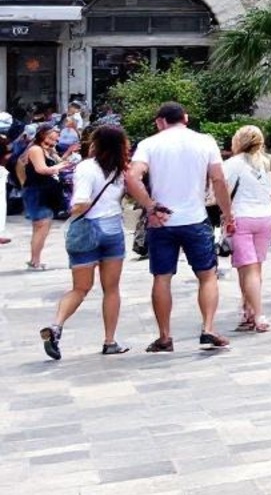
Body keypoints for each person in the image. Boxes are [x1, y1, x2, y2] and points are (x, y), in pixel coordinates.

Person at [41, 124, 154, 359]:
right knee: (111, 289)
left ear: (97, 144)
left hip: (85, 231)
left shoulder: (85, 167)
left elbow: (80, 202)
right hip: (112, 231)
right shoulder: (122, 171)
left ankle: (57, 326)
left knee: (80, 288)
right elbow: (137, 193)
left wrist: (75, 208)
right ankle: (109, 340)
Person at [129, 102, 233, 352]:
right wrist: (227, 213)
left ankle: (165, 336)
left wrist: (150, 205)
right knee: (207, 276)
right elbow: (218, 179)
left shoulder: (149, 144)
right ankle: (208, 328)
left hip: (162, 221)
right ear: (185, 119)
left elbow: (132, 176)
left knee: (162, 278)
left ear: (160, 121)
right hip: (195, 218)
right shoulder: (205, 141)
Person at [222, 126, 271, 333]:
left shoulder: (233, 164)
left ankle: (257, 314)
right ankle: (248, 309)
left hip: (241, 217)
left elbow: (223, 191)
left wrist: (226, 215)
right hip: (265, 217)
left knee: (247, 269)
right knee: (255, 268)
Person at [16, 123, 64, 270]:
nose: (53, 142)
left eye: (55, 140)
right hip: (37, 191)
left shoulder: (47, 150)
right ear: (43, 135)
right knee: (41, 226)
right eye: (50, 138)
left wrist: (61, 156)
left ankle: (35, 259)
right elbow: (41, 169)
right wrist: (60, 167)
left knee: (43, 226)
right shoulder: (35, 149)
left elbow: (58, 162)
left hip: (45, 191)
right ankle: (34, 260)